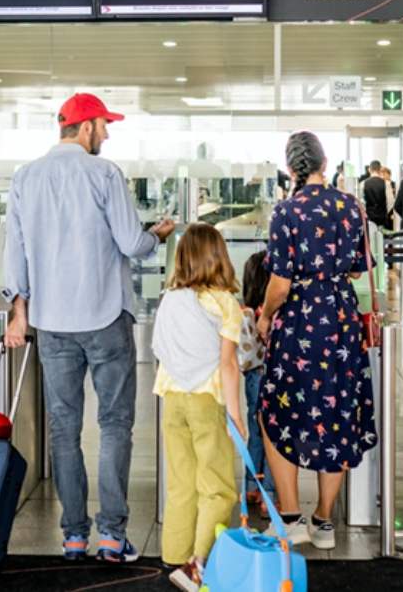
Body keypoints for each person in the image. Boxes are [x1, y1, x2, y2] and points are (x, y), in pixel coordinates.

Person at [3, 93, 175, 564]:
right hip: (103, 318)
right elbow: (131, 243)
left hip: (52, 324)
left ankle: (73, 536)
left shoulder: (25, 178)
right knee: (115, 424)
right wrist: (157, 235)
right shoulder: (104, 174)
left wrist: (19, 313)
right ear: (84, 128)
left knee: (64, 430)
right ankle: (111, 536)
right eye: (103, 124)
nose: (107, 133)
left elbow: (13, 252)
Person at [256, 131, 377, 551]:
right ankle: (325, 521)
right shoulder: (351, 207)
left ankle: (291, 518)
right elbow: (360, 271)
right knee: (339, 410)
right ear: (325, 164)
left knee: (276, 410)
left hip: (297, 325)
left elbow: (279, 282)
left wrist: (265, 315)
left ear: (291, 168)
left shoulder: (285, 211)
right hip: (340, 320)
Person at [152, 223, 244, 592]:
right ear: (219, 256)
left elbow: (159, 349)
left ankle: (173, 556)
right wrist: (237, 417)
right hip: (208, 400)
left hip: (172, 399)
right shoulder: (226, 303)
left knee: (181, 482)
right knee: (218, 487)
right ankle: (199, 564)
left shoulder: (170, 298)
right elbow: (228, 365)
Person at [239, 251, 276, 519]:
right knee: (275, 436)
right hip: (276, 377)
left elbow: (243, 354)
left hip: (252, 377)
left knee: (255, 431)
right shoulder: (277, 312)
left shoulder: (244, 313)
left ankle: (251, 487)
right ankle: (271, 495)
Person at [362, 160, 390, 231]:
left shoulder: (363, 183)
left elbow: (362, 202)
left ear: (369, 170)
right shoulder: (386, 183)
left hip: (369, 218)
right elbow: (390, 202)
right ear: (380, 169)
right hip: (382, 219)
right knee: (382, 240)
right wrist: (384, 211)